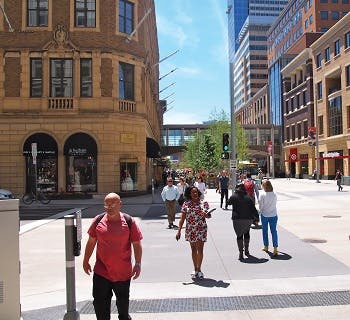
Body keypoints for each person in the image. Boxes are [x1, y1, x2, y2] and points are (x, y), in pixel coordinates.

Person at [83, 192, 143, 320]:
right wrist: (86, 260)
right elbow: (91, 241)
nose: (109, 207)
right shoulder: (98, 220)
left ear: (120, 204)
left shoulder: (128, 221)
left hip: (122, 273)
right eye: (107, 204)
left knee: (123, 310)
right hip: (101, 272)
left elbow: (136, 244)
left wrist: (138, 264)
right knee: (100, 308)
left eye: (113, 204)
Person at [176, 186, 211, 279]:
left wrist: (206, 215)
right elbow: (182, 218)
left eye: (196, 192)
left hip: (201, 229)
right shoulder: (186, 204)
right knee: (193, 249)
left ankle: (199, 269)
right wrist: (179, 231)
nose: (195, 194)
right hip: (190, 229)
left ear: (198, 193)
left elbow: (208, 216)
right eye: (193, 192)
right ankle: (195, 268)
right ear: (189, 194)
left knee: (200, 249)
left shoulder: (204, 203)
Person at [227, 183, 259, 261]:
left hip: (237, 219)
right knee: (247, 233)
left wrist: (233, 195)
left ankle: (241, 253)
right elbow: (253, 209)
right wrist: (257, 218)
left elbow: (228, 203)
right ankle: (247, 251)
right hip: (247, 219)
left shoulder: (234, 196)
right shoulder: (248, 197)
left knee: (239, 235)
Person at [258, 179, 279, 256]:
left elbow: (261, 206)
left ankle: (266, 246)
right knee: (274, 231)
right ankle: (275, 248)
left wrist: (260, 211)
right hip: (273, 214)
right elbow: (275, 203)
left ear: (263, 186)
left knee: (265, 231)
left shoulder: (262, 194)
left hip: (265, 215)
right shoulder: (274, 194)